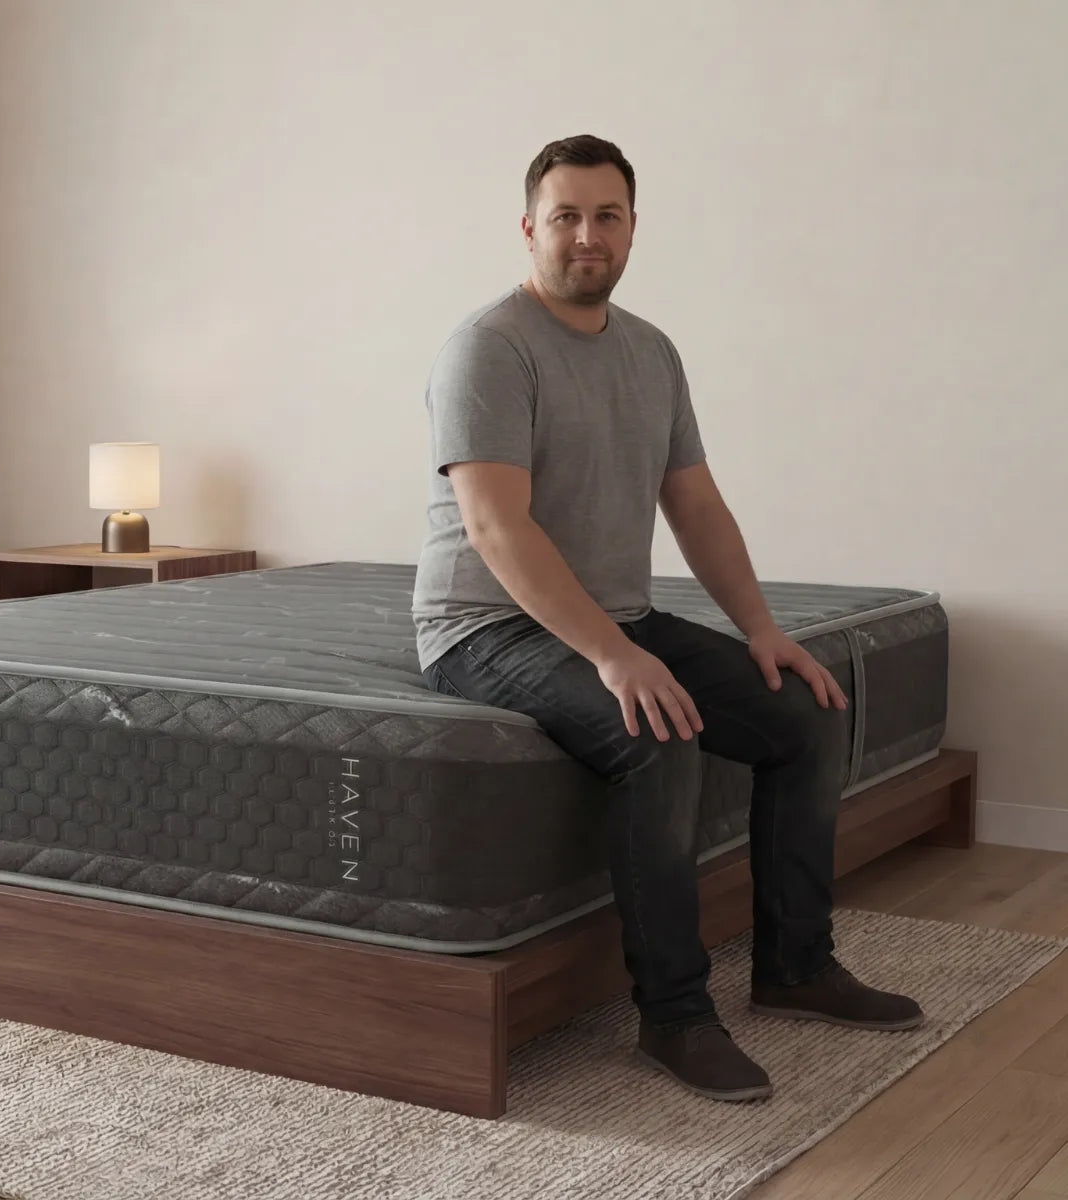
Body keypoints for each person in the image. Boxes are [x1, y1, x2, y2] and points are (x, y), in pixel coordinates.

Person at [411, 134, 922, 1103]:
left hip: (617, 611)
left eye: (607, 215)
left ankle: (797, 968)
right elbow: (494, 525)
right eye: (566, 216)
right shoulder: (490, 347)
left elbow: (695, 504)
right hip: (484, 626)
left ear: (635, 228)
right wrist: (611, 657)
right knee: (662, 732)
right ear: (530, 230)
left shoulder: (652, 352)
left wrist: (763, 631)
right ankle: (676, 1018)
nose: (587, 235)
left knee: (806, 713)